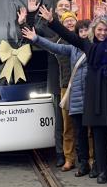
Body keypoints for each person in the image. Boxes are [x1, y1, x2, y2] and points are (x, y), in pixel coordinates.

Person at [38, 0, 107, 187]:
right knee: (97, 134)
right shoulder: (87, 46)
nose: (102, 32)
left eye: (105, 29)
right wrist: (52, 21)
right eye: (99, 29)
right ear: (93, 31)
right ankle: (102, 170)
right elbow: (68, 36)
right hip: (95, 92)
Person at [22, 18, 91, 176]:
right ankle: (72, 159)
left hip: (91, 93)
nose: (83, 33)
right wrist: (36, 38)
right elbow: (53, 46)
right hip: (70, 90)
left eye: (85, 30)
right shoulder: (71, 48)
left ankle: (92, 160)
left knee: (90, 130)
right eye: (80, 31)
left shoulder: (94, 47)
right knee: (71, 128)